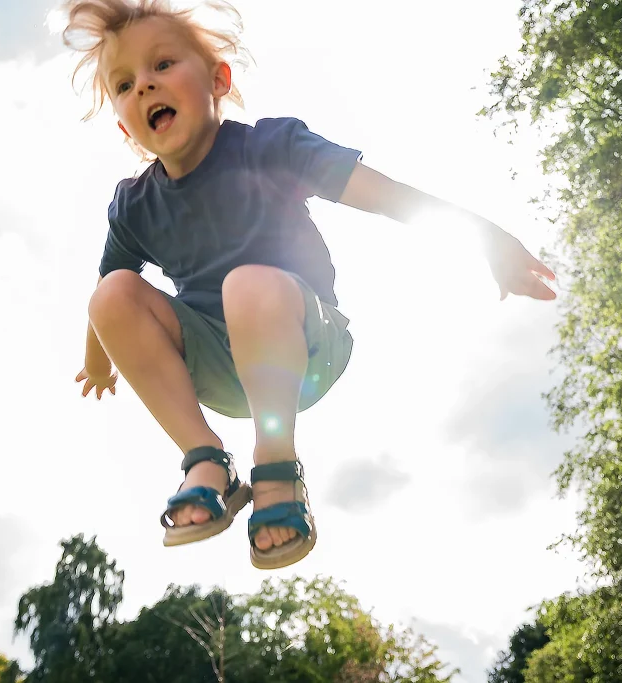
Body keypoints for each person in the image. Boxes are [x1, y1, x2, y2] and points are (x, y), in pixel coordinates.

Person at [64, 0, 556, 570]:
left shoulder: (271, 148)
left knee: (247, 283)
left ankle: (277, 471)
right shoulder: (135, 204)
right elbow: (106, 303)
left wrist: (487, 239)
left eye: (163, 65)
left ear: (219, 79)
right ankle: (205, 458)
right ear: (126, 126)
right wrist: (98, 365)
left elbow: (388, 195)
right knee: (113, 292)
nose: (145, 86)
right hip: (217, 372)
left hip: (307, 345)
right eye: (126, 84)